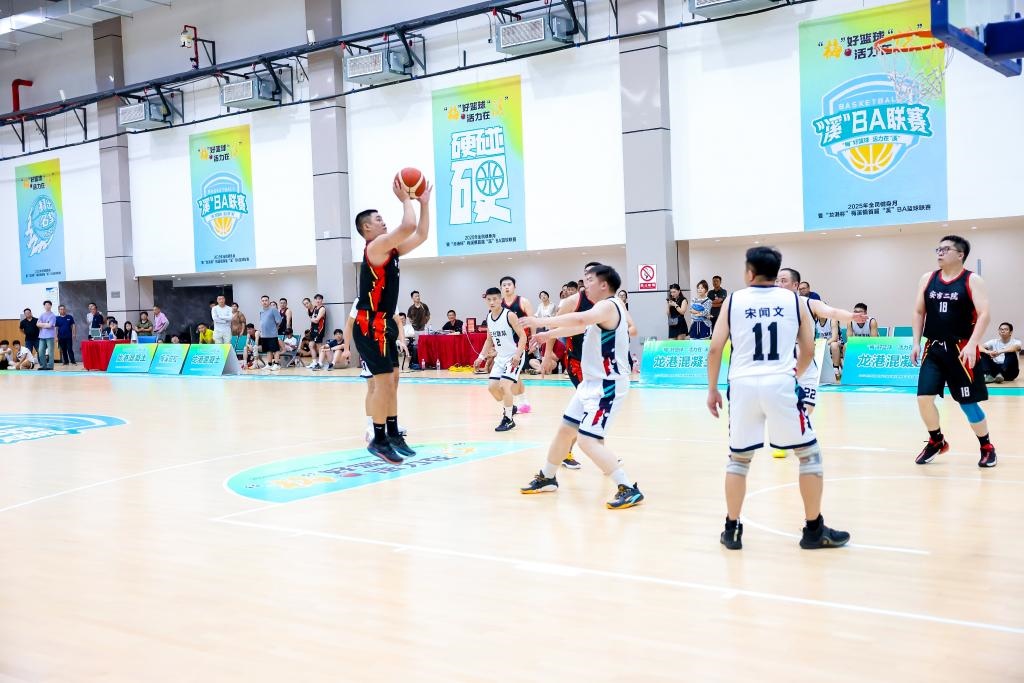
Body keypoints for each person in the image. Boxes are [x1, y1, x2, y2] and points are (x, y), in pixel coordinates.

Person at [707, 247, 850, 550]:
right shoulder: (794, 301)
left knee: (738, 460)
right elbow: (809, 349)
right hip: (780, 382)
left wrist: (711, 389)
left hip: (742, 386)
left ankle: (732, 530)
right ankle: (813, 530)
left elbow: (715, 348)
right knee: (809, 455)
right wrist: (792, 376)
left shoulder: (733, 300)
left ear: (749, 272)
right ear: (776, 273)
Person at [518, 265, 643, 509]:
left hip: (608, 385)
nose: (585, 285)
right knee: (566, 431)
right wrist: (548, 335)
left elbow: (579, 319)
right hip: (591, 383)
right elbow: (579, 327)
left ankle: (628, 488)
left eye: (589, 280)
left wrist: (539, 321)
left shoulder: (610, 305)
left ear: (604, 284)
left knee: (587, 440)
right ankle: (548, 477)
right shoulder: (601, 309)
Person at [352, 176, 432, 463]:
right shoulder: (375, 247)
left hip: (384, 323)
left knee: (393, 380)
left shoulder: (391, 249)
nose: (383, 222)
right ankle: (378, 439)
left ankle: (394, 433)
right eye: (378, 219)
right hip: (369, 324)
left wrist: (424, 204)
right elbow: (408, 226)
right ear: (367, 228)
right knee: (383, 382)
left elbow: (420, 234)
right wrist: (406, 199)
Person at [911, 235, 997, 468]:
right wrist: (916, 342)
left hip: (961, 350)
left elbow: (984, 314)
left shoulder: (972, 280)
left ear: (960, 254)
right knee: (923, 398)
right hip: (934, 349)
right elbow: (919, 312)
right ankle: (936, 440)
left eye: (946, 249)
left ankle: (986, 446)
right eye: (938, 249)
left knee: (968, 403)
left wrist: (972, 344)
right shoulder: (928, 279)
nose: (940, 252)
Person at [773, 267, 866, 458]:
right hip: (781, 360)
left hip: (806, 359)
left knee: (808, 406)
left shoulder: (809, 303)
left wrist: (850, 316)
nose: (779, 284)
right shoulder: (769, 306)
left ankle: (790, 430)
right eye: (777, 281)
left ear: (795, 285)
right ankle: (782, 437)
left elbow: (831, 311)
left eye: (783, 280)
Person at [342, 298, 407, 443]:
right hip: (368, 345)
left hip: (386, 344)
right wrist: (346, 348)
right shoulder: (361, 300)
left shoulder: (390, 296)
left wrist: (402, 341)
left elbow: (398, 322)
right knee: (373, 386)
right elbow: (349, 324)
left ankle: (390, 422)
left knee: (390, 386)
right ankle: (371, 426)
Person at [474, 288, 528, 432]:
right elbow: (489, 340)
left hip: (514, 356)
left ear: (500, 300)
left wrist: (517, 355)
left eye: (494, 299)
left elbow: (523, 336)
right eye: (489, 300)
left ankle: (508, 419)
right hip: (501, 358)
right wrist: (480, 357)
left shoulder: (509, 315)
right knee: (492, 388)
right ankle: (510, 406)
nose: (492, 302)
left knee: (504, 385)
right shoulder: (489, 317)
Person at [500, 275, 534, 413]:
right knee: (515, 374)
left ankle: (522, 402)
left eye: (509, 284)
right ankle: (523, 403)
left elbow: (532, 321)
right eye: (504, 285)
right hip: (506, 345)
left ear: (515, 286)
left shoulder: (523, 301)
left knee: (513, 373)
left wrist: (533, 339)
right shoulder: (499, 304)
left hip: (520, 342)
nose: (507, 287)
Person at [257, 295, 282, 370]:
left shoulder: (273, 310)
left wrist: (275, 328)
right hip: (264, 334)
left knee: (275, 349)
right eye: (263, 301)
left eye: (266, 300)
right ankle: (269, 364)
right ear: (261, 302)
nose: (264, 302)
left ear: (269, 301)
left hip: (272, 334)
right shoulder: (261, 311)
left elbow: (279, 321)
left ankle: (277, 364)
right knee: (268, 350)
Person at [307, 294, 328, 370]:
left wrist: (311, 319)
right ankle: (314, 362)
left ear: (322, 300)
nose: (318, 300)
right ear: (314, 300)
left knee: (319, 346)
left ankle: (320, 363)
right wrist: (312, 319)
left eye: (319, 299)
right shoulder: (315, 308)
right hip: (313, 329)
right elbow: (313, 318)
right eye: (316, 299)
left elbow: (316, 320)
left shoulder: (322, 309)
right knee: (311, 345)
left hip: (319, 330)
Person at [36, 300, 57, 371]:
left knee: (50, 352)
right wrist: (46, 324)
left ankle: (50, 366)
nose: (47, 306)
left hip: (50, 336)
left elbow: (50, 325)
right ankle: (43, 365)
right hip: (42, 336)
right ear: (44, 306)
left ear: (51, 306)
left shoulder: (53, 315)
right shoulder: (42, 315)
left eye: (48, 305)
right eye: (45, 305)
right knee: (40, 351)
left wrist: (42, 324)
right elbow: (37, 324)